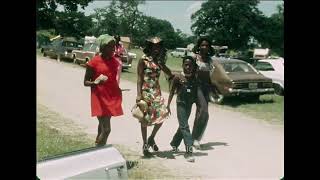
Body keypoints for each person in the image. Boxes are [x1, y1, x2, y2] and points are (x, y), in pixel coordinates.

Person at [136, 37, 174, 156]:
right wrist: (138, 94)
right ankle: (145, 144)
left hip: (156, 92)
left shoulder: (159, 61)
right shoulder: (143, 59)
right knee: (145, 119)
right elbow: (139, 78)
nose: (156, 48)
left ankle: (152, 138)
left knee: (163, 114)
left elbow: (169, 73)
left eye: (158, 46)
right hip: (146, 91)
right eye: (154, 46)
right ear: (150, 47)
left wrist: (162, 64)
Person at [84, 34, 123, 146]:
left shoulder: (115, 62)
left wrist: (118, 91)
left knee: (102, 127)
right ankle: (98, 152)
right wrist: (95, 82)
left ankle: (97, 146)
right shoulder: (94, 62)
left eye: (114, 47)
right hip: (99, 98)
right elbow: (86, 82)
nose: (113, 49)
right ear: (103, 47)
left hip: (111, 97)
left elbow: (113, 80)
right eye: (110, 47)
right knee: (107, 129)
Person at [167, 56, 198, 162]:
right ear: (182, 65)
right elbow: (171, 92)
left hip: (189, 105)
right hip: (180, 104)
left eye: (190, 65)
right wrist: (168, 105)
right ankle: (189, 151)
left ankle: (174, 143)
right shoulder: (177, 77)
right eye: (186, 64)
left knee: (182, 126)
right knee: (185, 127)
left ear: (193, 67)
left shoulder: (194, 78)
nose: (188, 67)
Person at [191, 37, 215, 149]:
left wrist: (213, 89)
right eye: (203, 45)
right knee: (204, 111)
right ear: (199, 46)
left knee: (202, 114)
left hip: (206, 88)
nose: (204, 47)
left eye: (207, 45)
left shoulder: (210, 60)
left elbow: (212, 76)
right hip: (196, 87)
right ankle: (194, 138)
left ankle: (196, 138)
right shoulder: (194, 58)